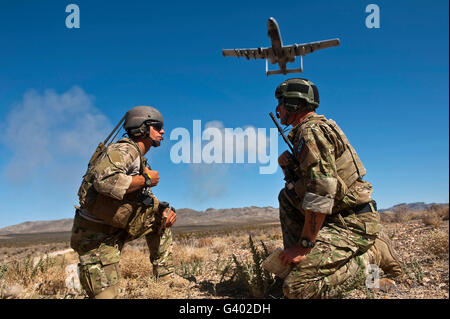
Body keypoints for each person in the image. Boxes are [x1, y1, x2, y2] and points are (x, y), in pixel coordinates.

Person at [273, 78, 403, 298]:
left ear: (296, 104)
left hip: (351, 223)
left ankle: (370, 255)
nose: (277, 109)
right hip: (338, 218)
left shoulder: (310, 132)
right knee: (286, 195)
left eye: (282, 103)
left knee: (296, 288)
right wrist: (288, 169)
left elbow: (322, 189)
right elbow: (304, 186)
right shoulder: (310, 131)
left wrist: (305, 245)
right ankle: (299, 263)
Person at [70, 105, 189, 299]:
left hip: (118, 226)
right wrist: (147, 179)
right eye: (157, 126)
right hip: (96, 236)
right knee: (106, 296)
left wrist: (163, 209)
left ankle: (166, 275)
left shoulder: (138, 157)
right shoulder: (123, 149)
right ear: (142, 127)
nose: (163, 131)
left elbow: (140, 195)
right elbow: (104, 181)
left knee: (160, 219)